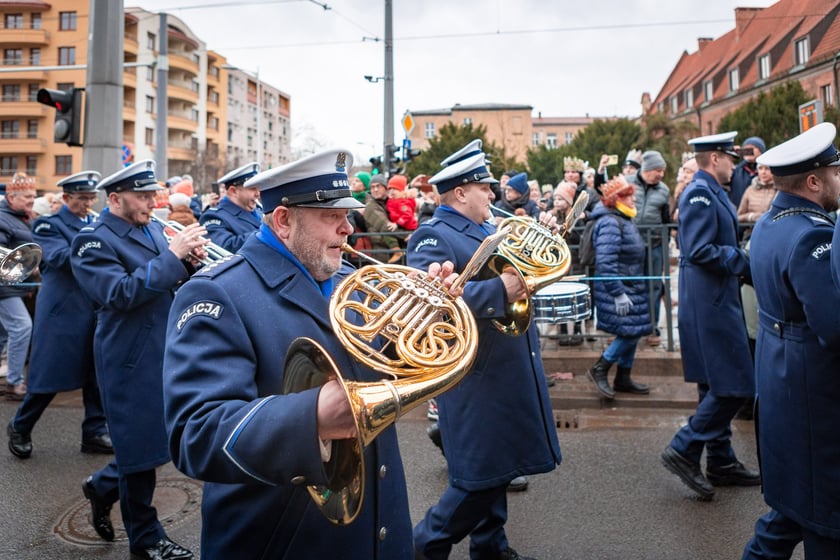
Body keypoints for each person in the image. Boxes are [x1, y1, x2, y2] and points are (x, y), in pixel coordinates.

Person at [162, 148, 461, 558]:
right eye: (331, 217)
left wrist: (420, 322)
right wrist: (313, 417)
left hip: (375, 522)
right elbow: (195, 432)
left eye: (347, 215)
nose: (347, 229)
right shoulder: (218, 292)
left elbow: (378, 361)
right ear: (284, 220)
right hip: (287, 539)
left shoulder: (347, 279)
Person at [408, 144, 561, 560]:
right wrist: (500, 289)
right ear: (460, 193)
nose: (493, 195)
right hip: (476, 376)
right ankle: (422, 547)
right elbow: (429, 305)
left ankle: (491, 548)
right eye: (484, 187)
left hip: (502, 367)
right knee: (477, 481)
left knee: (497, 468)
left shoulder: (484, 230)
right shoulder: (433, 236)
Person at [70, 159, 203, 560]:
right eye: (142, 196)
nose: (151, 202)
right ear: (115, 199)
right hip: (126, 354)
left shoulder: (147, 228)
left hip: (161, 347)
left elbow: (161, 279)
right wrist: (172, 256)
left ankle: (103, 486)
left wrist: (187, 262)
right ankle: (145, 540)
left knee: (150, 442)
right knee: (140, 447)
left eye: (152, 194)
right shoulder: (92, 241)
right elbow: (120, 293)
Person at [739, 123, 840, 559]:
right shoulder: (812, 236)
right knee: (824, 521)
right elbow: (834, 327)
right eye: (836, 171)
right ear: (814, 181)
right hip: (812, 392)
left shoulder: (770, 222)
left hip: (781, 378)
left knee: (788, 515)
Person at [661, 131, 760, 501]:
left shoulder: (709, 190)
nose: (735, 166)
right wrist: (745, 261)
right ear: (715, 158)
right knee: (736, 384)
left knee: (713, 385)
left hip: (711, 299)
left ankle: (720, 461)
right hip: (711, 303)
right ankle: (684, 447)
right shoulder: (700, 192)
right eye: (730, 159)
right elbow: (700, 249)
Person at [7, 171, 112, 459]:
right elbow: (58, 258)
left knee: (95, 375)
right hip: (62, 312)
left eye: (91, 198)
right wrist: (95, 241)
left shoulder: (95, 223)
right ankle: (20, 426)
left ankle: (93, 431)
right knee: (49, 376)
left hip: (93, 307)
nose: (88, 203)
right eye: (82, 198)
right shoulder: (47, 225)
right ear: (66, 198)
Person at [585, 175, 651, 399]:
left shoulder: (622, 219)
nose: (634, 200)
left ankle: (623, 378)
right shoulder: (610, 222)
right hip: (620, 288)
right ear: (615, 200)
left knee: (632, 330)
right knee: (630, 333)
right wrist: (618, 293)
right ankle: (600, 368)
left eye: (632, 195)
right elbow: (605, 262)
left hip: (631, 284)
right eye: (628, 196)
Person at [627, 150, 671, 347]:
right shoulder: (627, 183)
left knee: (653, 286)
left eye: (663, 170)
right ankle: (630, 326)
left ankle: (651, 327)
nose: (661, 174)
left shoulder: (664, 190)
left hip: (654, 245)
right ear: (647, 169)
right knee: (630, 286)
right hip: (630, 245)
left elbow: (666, 220)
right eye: (658, 170)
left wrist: (664, 244)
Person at [0, 172, 38, 400]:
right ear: (11, 197)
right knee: (21, 327)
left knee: (6, 334)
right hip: (5, 286)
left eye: (33, 196)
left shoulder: (23, 217)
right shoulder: (3, 218)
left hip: (16, 285)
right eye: (27, 196)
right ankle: (14, 383)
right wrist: (26, 265)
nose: (32, 200)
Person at [199, 162, 262, 253]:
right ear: (233, 191)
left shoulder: (258, 211)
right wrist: (266, 233)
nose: (258, 194)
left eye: (258, 188)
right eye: (252, 188)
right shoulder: (213, 216)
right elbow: (224, 248)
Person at [729, 136, 765, 209]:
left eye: (751, 148)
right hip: (737, 214)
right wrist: (730, 155)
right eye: (745, 148)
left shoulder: (767, 171)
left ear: (761, 151)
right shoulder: (735, 170)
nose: (748, 151)